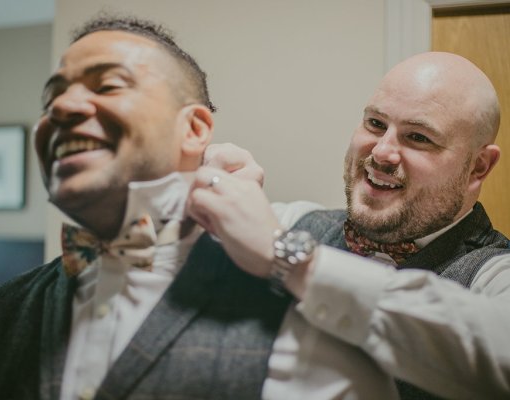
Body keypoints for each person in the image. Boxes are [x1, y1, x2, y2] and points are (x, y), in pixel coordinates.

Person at [0, 15, 399, 400]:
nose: (61, 109)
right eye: (52, 98)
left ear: (193, 130)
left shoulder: (312, 332)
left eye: (107, 85)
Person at [188, 51, 510, 399]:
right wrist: (199, 178)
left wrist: (295, 262)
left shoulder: (495, 275)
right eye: (375, 124)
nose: (382, 152)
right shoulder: (296, 220)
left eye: (418, 137)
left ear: (478, 167)